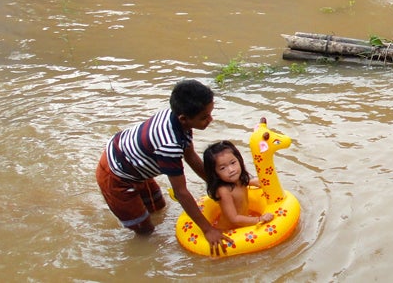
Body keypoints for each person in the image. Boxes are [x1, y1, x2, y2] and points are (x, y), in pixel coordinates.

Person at [95, 79, 233, 255]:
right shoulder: (169, 145)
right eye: (204, 117)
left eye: (210, 113)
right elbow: (181, 192)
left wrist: (216, 184)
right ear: (184, 118)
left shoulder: (179, 120)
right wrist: (208, 229)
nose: (210, 120)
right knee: (144, 230)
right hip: (116, 175)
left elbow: (190, 156)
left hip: (134, 161)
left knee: (158, 208)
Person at [203, 140, 274, 230]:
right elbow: (234, 218)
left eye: (233, 163)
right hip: (229, 230)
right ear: (215, 173)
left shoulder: (238, 179)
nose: (231, 169)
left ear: (239, 160)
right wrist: (259, 219)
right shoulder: (224, 191)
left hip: (242, 223)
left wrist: (253, 182)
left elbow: (242, 184)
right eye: (222, 168)